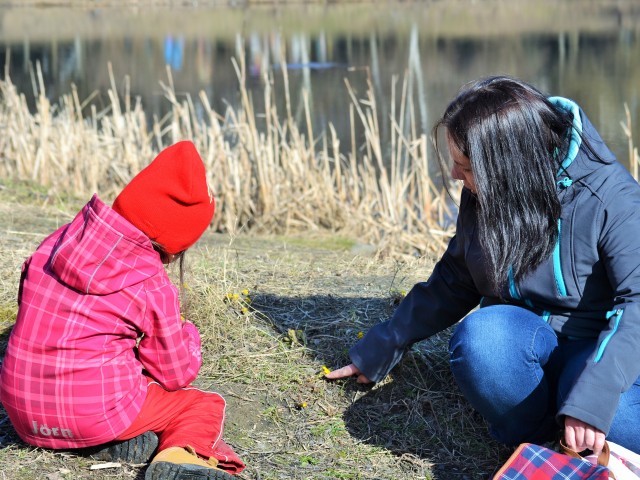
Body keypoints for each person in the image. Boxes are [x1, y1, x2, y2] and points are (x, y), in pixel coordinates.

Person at [326, 76, 640, 457]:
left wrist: (592, 400)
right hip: (519, 343)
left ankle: (572, 432)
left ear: (510, 165)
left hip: (596, 353)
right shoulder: (488, 191)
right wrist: (386, 343)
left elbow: (636, 305)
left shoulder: (613, 198)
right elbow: (457, 277)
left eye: (466, 167)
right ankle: (542, 440)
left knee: (620, 419)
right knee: (481, 341)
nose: (457, 176)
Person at [0, 141, 245, 479]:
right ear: (175, 245)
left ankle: (105, 442)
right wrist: (188, 334)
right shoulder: (152, 284)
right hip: (93, 414)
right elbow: (174, 375)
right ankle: (180, 461)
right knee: (201, 405)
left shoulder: (57, 241)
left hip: (22, 415)